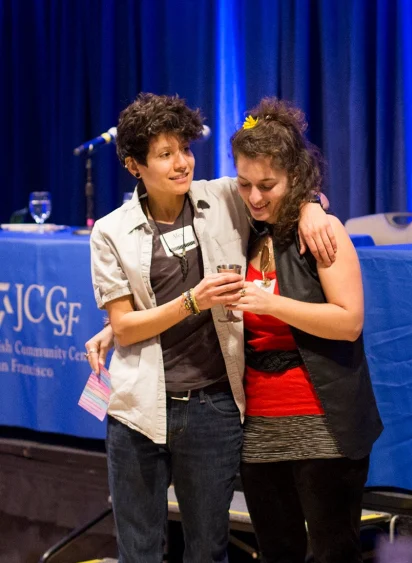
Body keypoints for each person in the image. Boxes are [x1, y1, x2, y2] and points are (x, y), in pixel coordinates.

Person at [88, 93, 334, 562]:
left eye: (185, 148)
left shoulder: (223, 196)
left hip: (214, 406)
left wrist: (312, 208)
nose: (181, 163)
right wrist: (191, 301)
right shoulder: (110, 231)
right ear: (133, 165)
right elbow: (124, 326)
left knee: (208, 550)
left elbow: (285, 192)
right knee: (138, 550)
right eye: (165, 155)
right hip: (139, 408)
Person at [224, 98, 383, 563]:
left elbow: (349, 321)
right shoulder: (240, 231)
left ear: (294, 176)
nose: (255, 197)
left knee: (332, 552)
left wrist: (275, 304)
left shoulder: (321, 231)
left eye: (268, 186)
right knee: (277, 551)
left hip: (322, 420)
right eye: (246, 184)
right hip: (257, 427)